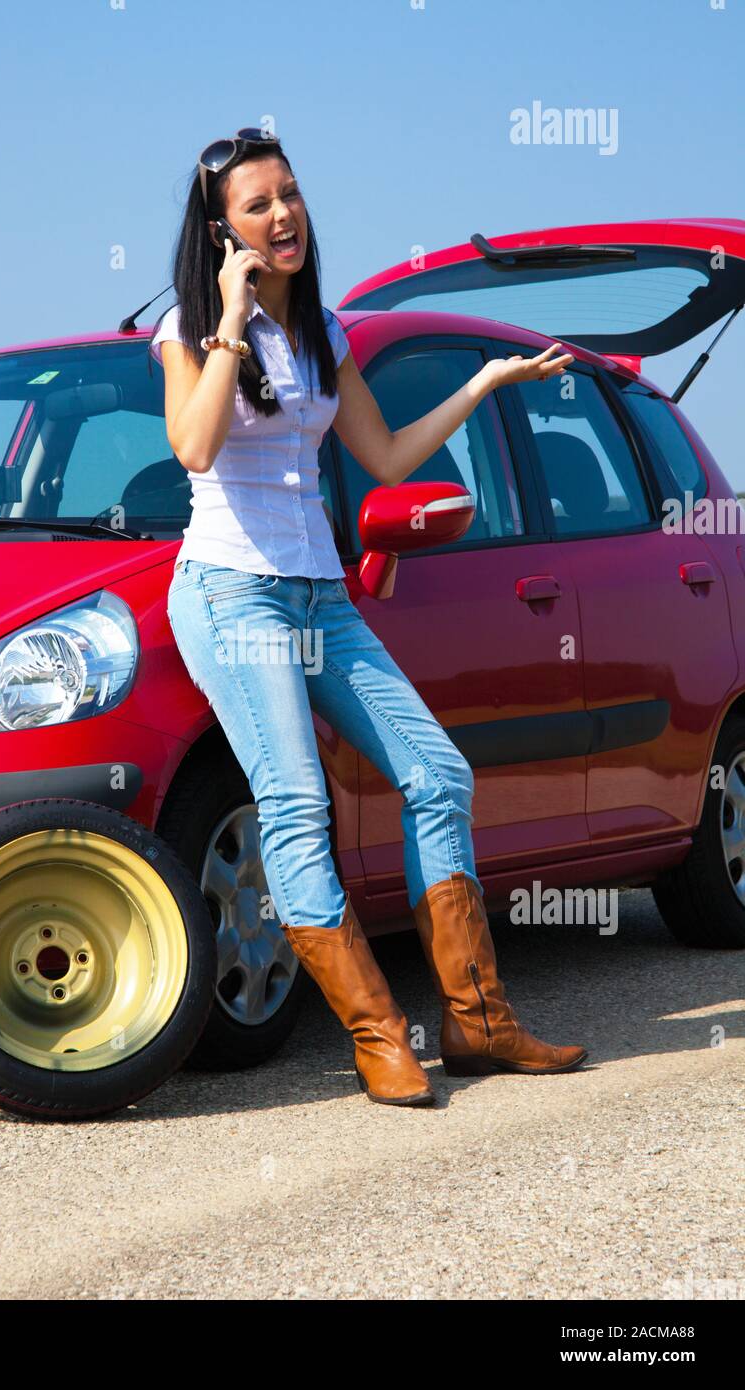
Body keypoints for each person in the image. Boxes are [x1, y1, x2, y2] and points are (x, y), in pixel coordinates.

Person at [150, 128, 587, 1107]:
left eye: (291, 194)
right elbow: (194, 446)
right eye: (258, 205)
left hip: (319, 594)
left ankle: (476, 1020)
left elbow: (384, 460)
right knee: (297, 803)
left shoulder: (321, 334)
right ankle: (377, 1033)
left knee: (438, 773)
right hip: (231, 592)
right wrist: (227, 317)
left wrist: (479, 387)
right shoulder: (187, 332)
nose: (284, 215)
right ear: (221, 232)